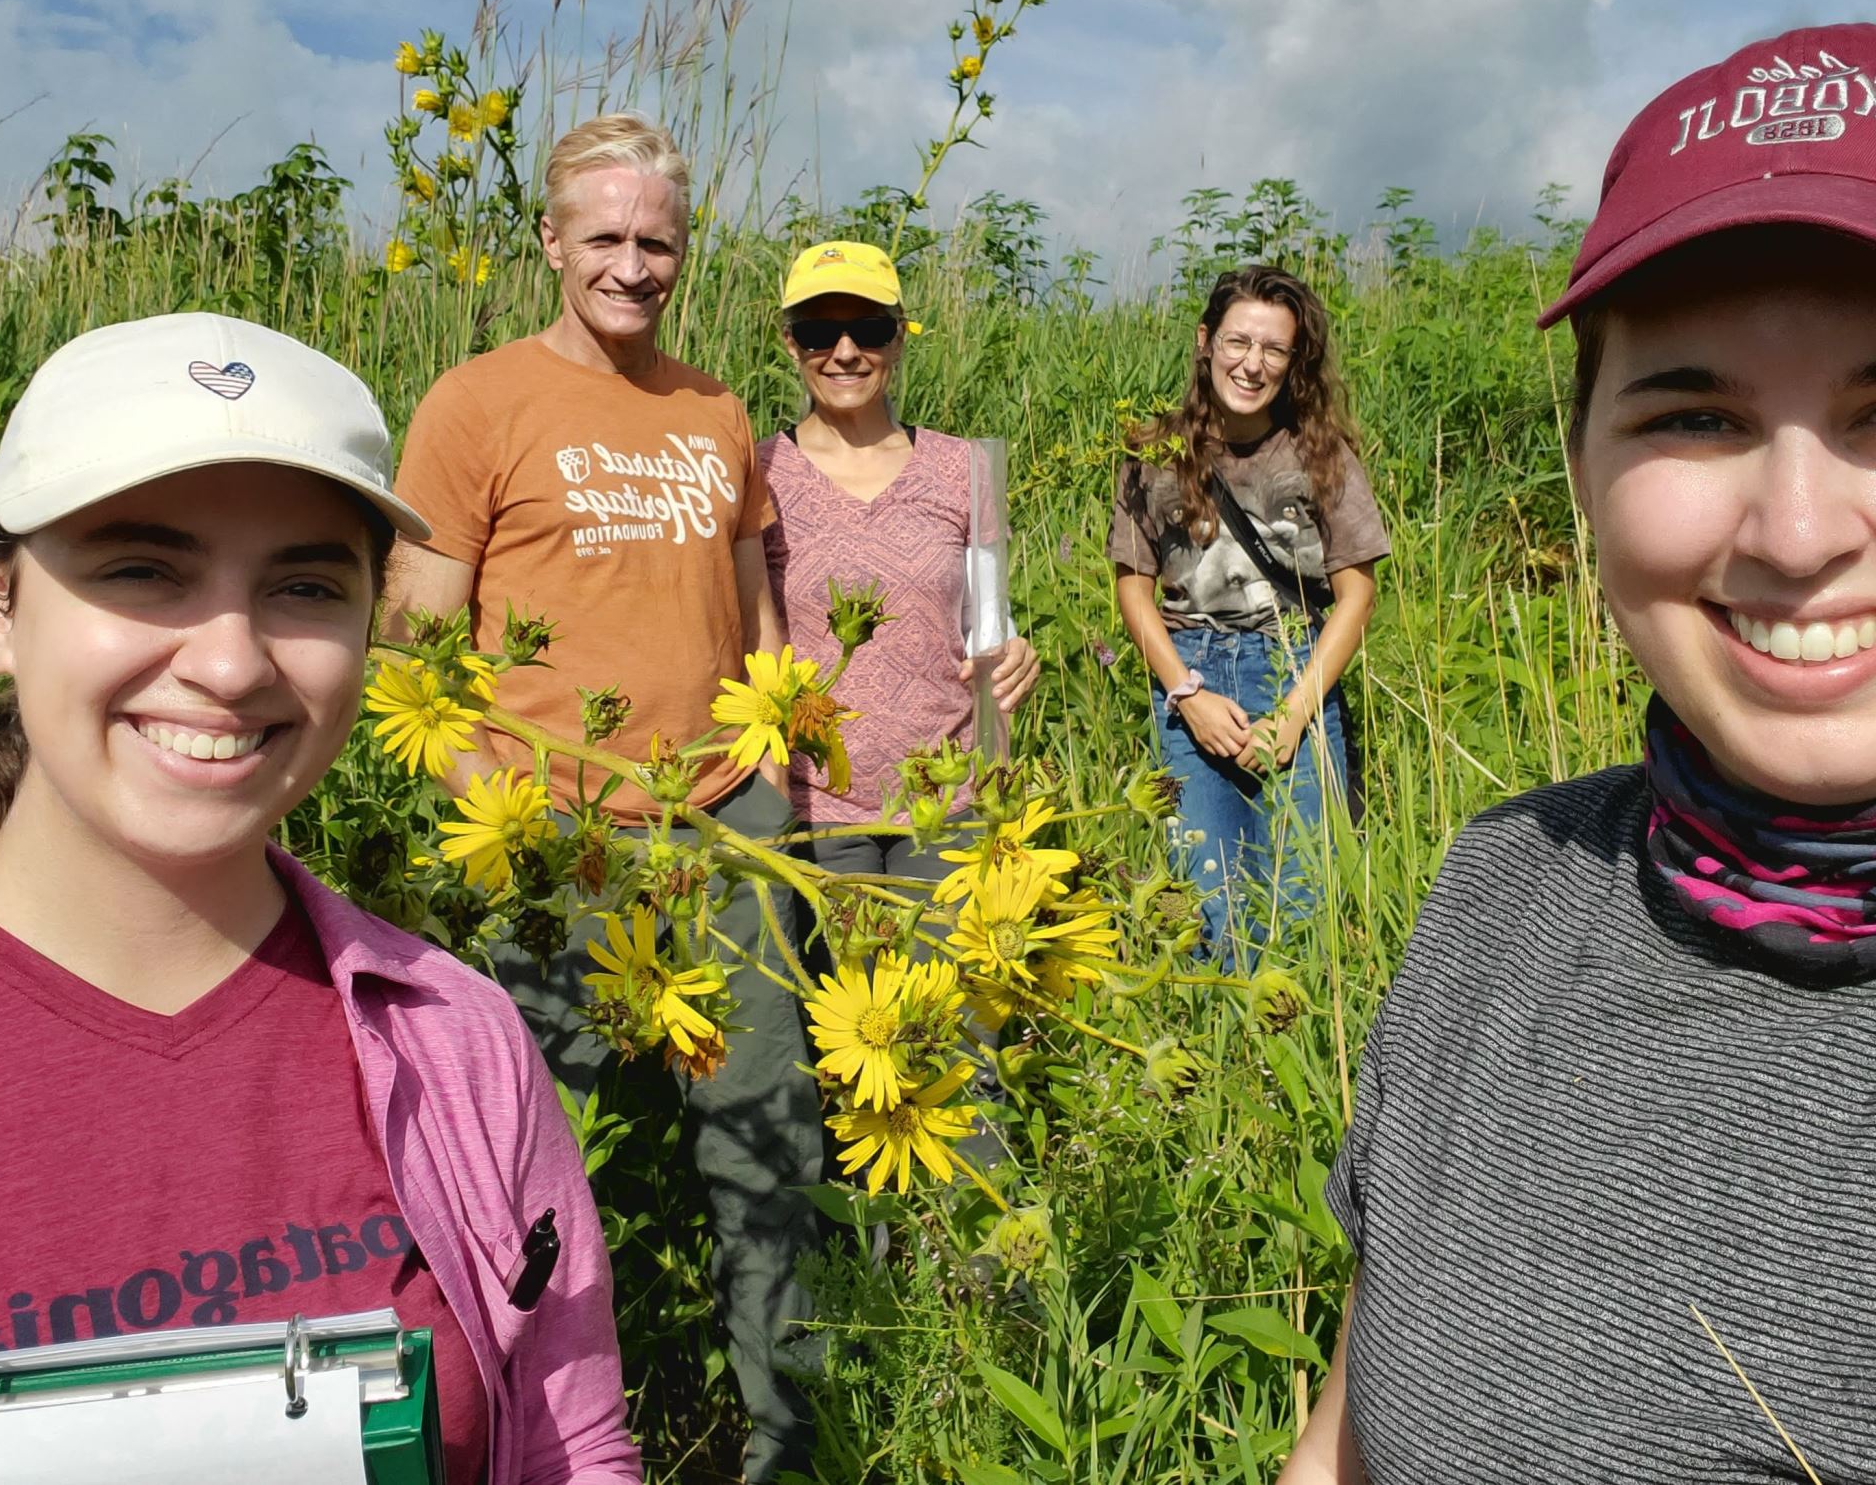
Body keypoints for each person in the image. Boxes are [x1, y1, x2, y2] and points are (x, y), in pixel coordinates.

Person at [1286, 24, 1876, 1484]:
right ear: (1583, 472)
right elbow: (1346, 1447)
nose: (1795, 532)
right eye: (1694, 413)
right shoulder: (1503, 887)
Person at [0, 313, 638, 1485]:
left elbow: (570, 1449)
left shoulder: (458, 1047)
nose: (229, 662)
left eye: (304, 586)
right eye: (142, 571)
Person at [384, 114, 816, 1481]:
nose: (634, 265)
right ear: (552, 240)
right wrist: (497, 817)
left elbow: (755, 606)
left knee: (767, 1126)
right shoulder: (477, 401)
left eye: (659, 242)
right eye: (609, 238)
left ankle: (784, 1442)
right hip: (555, 833)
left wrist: (769, 756)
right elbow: (416, 645)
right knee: (531, 1154)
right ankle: (529, 1442)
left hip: (721, 813)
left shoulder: (715, 409)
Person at [1110, 264, 1386, 958]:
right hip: (1191, 679)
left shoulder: (1322, 454)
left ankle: (1294, 1064)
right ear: (1206, 342)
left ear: (1295, 362)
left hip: (1296, 671)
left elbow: (1356, 594)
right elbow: (1133, 590)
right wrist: (1186, 693)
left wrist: (1296, 713)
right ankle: (1225, 1061)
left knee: (1301, 906)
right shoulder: (1153, 453)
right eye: (1238, 342)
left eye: (1273, 349)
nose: (1252, 364)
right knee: (1213, 909)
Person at [756, 238, 1040, 884]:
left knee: (951, 984)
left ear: (901, 339)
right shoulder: (760, 472)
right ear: (790, 343)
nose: (847, 351)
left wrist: (1016, 655)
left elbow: (989, 623)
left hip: (948, 798)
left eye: (872, 329)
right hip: (816, 808)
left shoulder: (966, 468)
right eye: (820, 330)